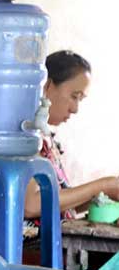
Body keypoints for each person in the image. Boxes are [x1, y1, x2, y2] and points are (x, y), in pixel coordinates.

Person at [23, 50, 119, 220]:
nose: (75, 109)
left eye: (80, 99)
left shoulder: (47, 140)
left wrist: (106, 193)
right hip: (29, 245)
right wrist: (103, 184)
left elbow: (60, 201)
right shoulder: (22, 135)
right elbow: (30, 205)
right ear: (47, 86)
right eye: (74, 96)